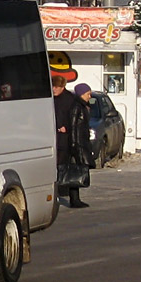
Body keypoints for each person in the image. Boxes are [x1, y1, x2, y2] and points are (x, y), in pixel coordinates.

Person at [53, 76, 93, 209]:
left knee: (70, 170)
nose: (54, 89)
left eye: (57, 87)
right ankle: (63, 196)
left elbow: (73, 124)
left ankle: (73, 198)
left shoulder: (71, 101)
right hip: (60, 140)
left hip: (67, 141)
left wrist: (66, 128)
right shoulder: (53, 100)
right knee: (63, 169)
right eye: (53, 86)